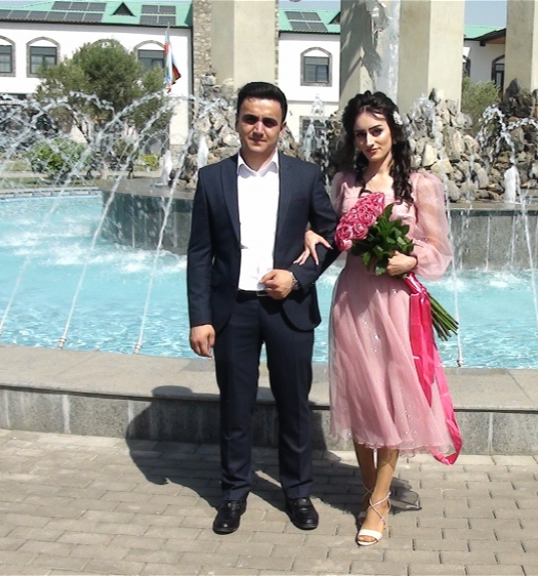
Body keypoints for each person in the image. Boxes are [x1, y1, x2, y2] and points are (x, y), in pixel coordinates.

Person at [298, 91, 460, 546]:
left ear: (393, 131)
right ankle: (372, 488)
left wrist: (411, 260)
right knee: (359, 395)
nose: (368, 141)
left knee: (391, 396)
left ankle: (378, 503)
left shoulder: (421, 184)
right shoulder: (345, 182)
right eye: (360, 134)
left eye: (376, 131)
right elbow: (333, 234)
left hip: (396, 302)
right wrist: (312, 233)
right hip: (353, 299)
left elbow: (439, 249)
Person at [187, 81, 338, 535]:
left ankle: (297, 492)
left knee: (294, 406)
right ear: (237, 121)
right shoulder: (212, 178)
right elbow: (199, 253)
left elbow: (332, 236)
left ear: (282, 127)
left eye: (268, 121)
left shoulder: (304, 176)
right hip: (232, 311)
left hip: (288, 308)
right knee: (235, 407)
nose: (259, 128)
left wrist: (298, 276)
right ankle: (234, 493)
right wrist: (200, 318)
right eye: (250, 119)